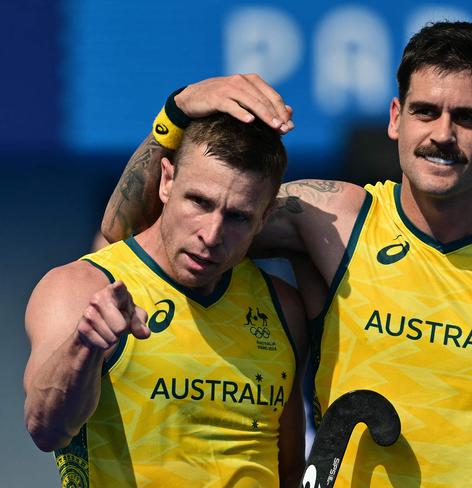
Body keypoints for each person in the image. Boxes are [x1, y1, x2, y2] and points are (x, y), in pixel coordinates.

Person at [101, 21, 472, 487]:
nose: (442, 135)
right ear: (395, 118)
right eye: (425, 112)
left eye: (469, 118)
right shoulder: (330, 219)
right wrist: (175, 113)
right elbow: (137, 234)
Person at [23, 112, 308, 487]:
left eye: (238, 216)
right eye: (199, 202)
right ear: (167, 181)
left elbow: (289, 470)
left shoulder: (282, 307)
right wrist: (84, 346)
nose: (212, 234)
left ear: (265, 216)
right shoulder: (81, 286)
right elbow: (46, 429)